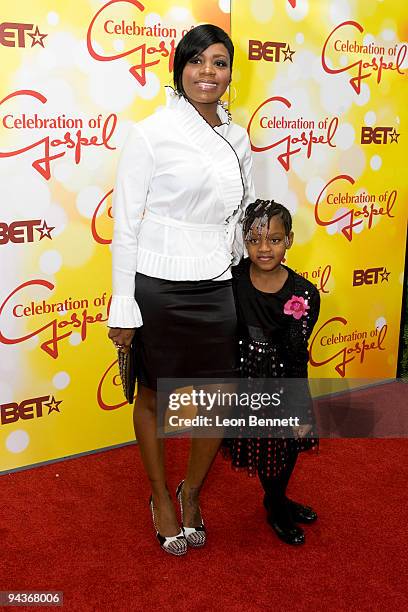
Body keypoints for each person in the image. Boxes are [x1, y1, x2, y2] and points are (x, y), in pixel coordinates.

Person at [107, 24, 254, 555]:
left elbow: (241, 214)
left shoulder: (238, 137)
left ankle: (189, 492)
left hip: (216, 282)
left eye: (219, 62)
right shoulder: (151, 132)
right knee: (152, 395)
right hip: (159, 283)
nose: (207, 73)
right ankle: (159, 499)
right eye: (197, 62)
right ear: (179, 68)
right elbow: (125, 225)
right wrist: (123, 304)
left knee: (216, 398)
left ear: (230, 72)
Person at [223, 199, 320, 545]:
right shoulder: (232, 282)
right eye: (254, 240)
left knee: (289, 443)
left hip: (284, 378)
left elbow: (298, 354)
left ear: (289, 240)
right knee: (263, 446)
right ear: (244, 240)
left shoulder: (304, 293)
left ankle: (276, 498)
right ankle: (277, 506)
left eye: (275, 240)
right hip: (246, 378)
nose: (264, 248)